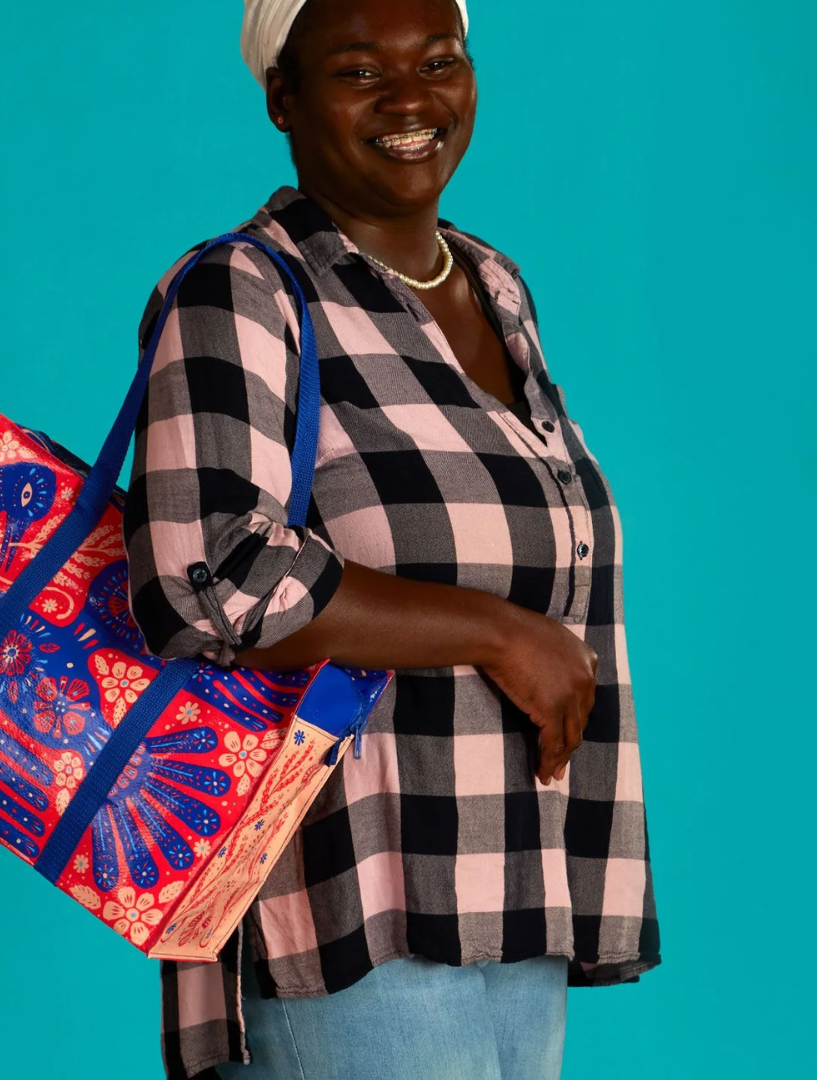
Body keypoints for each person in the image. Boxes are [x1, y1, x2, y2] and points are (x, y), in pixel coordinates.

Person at [123, 1, 661, 1077]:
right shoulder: (242, 289)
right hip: (346, 905)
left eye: (439, 61)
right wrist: (503, 635)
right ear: (283, 97)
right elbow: (213, 580)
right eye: (360, 70)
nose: (411, 99)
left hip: (517, 885)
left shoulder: (495, 286)